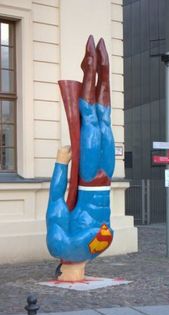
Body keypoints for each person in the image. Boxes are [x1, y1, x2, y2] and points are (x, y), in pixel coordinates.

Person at [46, 36, 115, 281]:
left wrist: (61, 163)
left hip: (91, 181)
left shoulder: (63, 246)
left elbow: (56, 199)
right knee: (102, 122)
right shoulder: (76, 249)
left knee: (95, 121)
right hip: (103, 181)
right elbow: (55, 201)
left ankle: (92, 68)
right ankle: (102, 71)